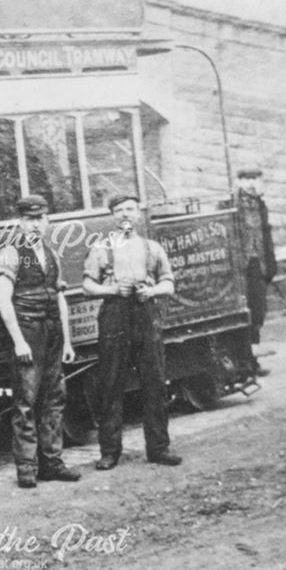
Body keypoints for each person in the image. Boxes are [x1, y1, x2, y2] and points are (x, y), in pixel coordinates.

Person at [82, 195, 181, 470]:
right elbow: (88, 286)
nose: (125, 214)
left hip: (145, 314)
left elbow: (169, 284)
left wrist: (152, 291)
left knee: (155, 383)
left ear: (138, 214)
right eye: (119, 210)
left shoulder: (152, 248)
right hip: (115, 317)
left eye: (130, 209)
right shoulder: (102, 248)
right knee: (111, 385)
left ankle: (159, 448)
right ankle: (110, 452)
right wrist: (112, 289)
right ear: (113, 216)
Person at [0, 195, 80, 489]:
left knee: (55, 399)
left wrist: (67, 342)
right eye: (29, 219)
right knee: (26, 403)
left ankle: (52, 463)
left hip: (53, 332)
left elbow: (60, 298)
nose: (34, 225)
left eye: (39, 219)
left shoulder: (52, 254)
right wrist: (18, 341)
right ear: (20, 222)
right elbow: (4, 301)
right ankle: (27, 468)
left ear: (47, 221)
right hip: (28, 333)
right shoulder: (9, 253)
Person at [234, 168, 277, 372]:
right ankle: (245, 363)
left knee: (258, 311)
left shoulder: (260, 204)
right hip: (240, 267)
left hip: (258, 263)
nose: (251, 183)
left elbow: (266, 234)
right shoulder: (231, 203)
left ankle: (253, 360)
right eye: (246, 179)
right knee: (244, 313)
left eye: (254, 179)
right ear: (239, 181)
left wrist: (270, 264)